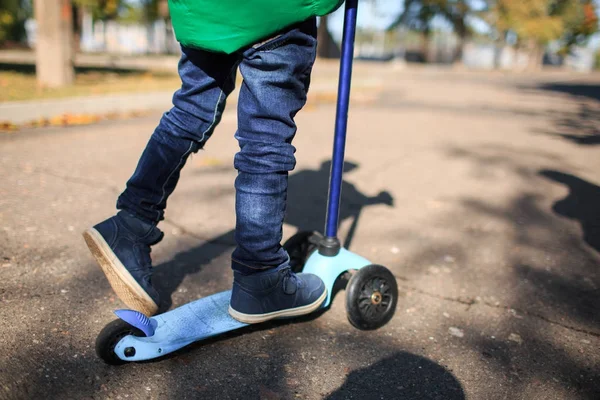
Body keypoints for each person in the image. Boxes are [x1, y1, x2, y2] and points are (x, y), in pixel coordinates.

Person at [83, 17, 327, 323]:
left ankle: (131, 224)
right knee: (266, 139)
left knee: (190, 110)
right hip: (275, 12)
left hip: (206, 10)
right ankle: (261, 276)